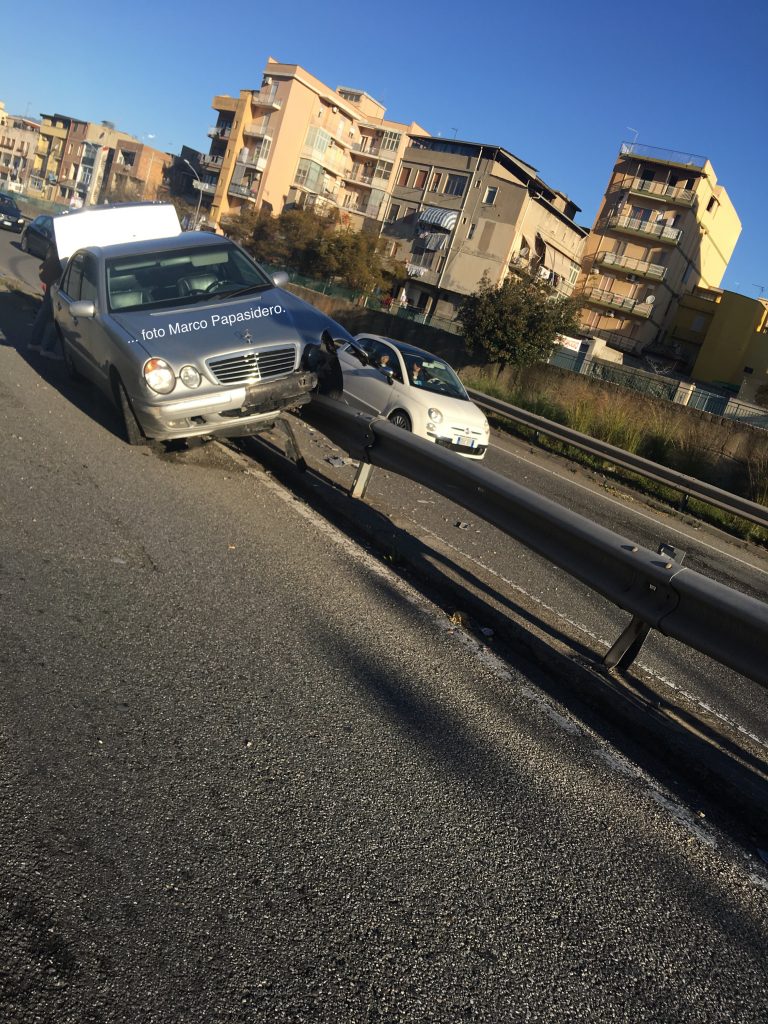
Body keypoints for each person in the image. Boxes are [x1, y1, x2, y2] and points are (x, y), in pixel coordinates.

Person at [28, 242, 64, 361]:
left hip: (53, 276)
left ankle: (36, 342)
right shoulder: (66, 241)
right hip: (57, 278)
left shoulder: (61, 236)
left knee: (47, 311)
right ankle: (46, 348)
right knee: (58, 314)